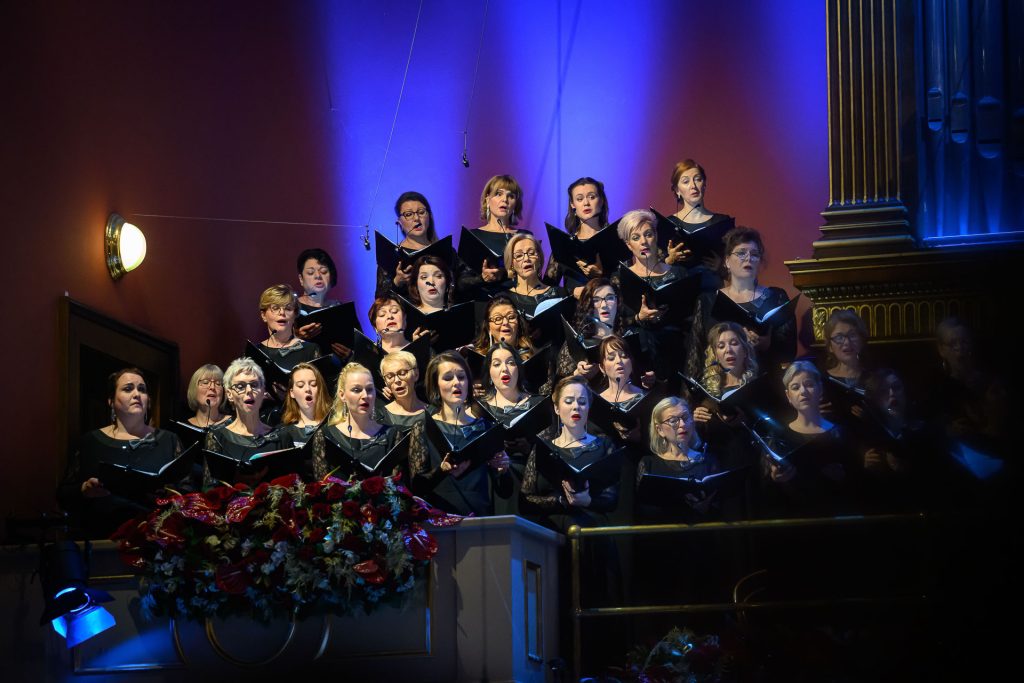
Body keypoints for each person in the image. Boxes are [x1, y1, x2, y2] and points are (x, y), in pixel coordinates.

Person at [58, 368, 186, 538]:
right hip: (100, 545)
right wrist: (84, 489)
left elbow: (188, 495)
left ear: (148, 402)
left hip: (156, 546)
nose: (137, 394)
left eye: (142, 389)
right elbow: (63, 495)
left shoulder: (169, 441)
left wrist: (169, 496)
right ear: (111, 401)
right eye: (128, 389)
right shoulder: (89, 442)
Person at [407, 351, 510, 516]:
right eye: (448, 378)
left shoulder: (485, 428)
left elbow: (504, 492)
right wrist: (442, 470)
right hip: (439, 519)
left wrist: (503, 469)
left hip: (481, 520)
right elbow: (417, 486)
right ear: (436, 385)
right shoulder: (424, 427)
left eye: (461, 377)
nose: (457, 383)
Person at [614, 209, 713, 378]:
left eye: (648, 234)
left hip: (676, 354)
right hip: (638, 359)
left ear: (656, 236)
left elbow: (692, 320)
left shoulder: (680, 273)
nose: (644, 242)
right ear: (628, 245)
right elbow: (616, 324)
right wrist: (639, 318)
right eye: (636, 238)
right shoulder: (620, 277)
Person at [687, 227, 796, 379]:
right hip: (718, 386)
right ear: (726, 261)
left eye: (755, 254)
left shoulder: (775, 297)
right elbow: (696, 354)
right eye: (741, 253)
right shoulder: (708, 300)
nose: (748, 258)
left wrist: (766, 344)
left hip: (764, 382)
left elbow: (789, 353)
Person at [521, 376, 620, 531]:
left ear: (589, 407)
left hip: (590, 530)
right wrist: (560, 501)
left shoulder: (604, 445)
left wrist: (587, 501)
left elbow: (612, 499)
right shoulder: (542, 447)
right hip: (550, 531)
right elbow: (526, 499)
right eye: (568, 401)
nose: (576, 407)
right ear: (557, 408)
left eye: (582, 402)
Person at [758, 361, 858, 515]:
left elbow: (859, 482)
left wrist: (845, 476)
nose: (803, 391)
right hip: (796, 521)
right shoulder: (778, 437)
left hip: (838, 517)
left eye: (809, 384)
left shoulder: (840, 433)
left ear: (820, 389)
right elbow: (766, 493)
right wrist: (776, 479)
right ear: (788, 396)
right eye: (795, 387)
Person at [478, 342, 548, 515]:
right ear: (489, 373)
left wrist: (529, 449)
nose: (504, 369)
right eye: (496, 364)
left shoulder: (538, 404)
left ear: (519, 368)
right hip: (494, 480)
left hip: (530, 478)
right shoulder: (479, 409)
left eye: (510, 362)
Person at [205, 357, 296, 485]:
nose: (249, 391)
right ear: (230, 394)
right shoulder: (216, 438)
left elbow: (296, 490)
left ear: (263, 391)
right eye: (240, 386)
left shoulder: (282, 437)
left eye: (254, 385)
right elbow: (208, 491)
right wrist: (235, 482)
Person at [637, 397, 721, 522]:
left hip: (700, 536)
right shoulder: (648, 464)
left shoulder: (708, 461)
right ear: (660, 429)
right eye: (673, 420)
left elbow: (719, 509)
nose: (682, 424)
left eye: (685, 417)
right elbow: (643, 511)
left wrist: (704, 507)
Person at [324, 362, 406, 480]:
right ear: (342, 395)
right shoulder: (326, 436)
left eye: (369, 389)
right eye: (356, 390)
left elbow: (396, 487)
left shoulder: (393, 435)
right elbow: (322, 488)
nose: (365, 395)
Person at [457, 175, 528, 301]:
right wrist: (482, 278)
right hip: (482, 305)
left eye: (511, 196)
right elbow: (461, 282)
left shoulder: (524, 236)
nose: (505, 199)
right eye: (498, 194)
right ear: (487, 200)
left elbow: (533, 274)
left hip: (516, 303)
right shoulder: (473, 236)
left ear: (515, 205)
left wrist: (504, 274)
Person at [544, 177, 616, 295]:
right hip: (573, 311)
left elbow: (624, 291)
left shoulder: (614, 241)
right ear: (573, 204)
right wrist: (571, 292)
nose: (586, 203)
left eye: (592, 197)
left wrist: (601, 275)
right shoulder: (564, 244)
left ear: (602, 200)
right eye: (579, 199)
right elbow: (548, 289)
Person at [555, 278, 633, 379]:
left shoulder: (629, 334)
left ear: (617, 302)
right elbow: (558, 385)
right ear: (588, 305)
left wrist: (648, 380)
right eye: (596, 300)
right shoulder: (578, 341)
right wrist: (578, 375)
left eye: (610, 298)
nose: (604, 305)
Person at [376, 191, 442, 298]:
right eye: (408, 214)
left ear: (429, 217)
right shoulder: (391, 255)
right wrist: (397, 282)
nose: (416, 218)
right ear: (400, 223)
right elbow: (380, 301)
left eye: (421, 212)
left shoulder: (443, 250)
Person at [667, 159, 734, 265]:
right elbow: (655, 267)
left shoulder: (722, 223)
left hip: (712, 280)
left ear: (704, 185)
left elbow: (736, 260)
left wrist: (722, 266)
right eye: (686, 181)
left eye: (698, 179)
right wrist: (669, 260)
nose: (693, 186)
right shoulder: (668, 224)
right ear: (677, 190)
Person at [293, 248, 352, 358]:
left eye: (324, 271)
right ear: (301, 279)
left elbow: (359, 345)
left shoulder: (341, 307)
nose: (318, 276)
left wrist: (351, 355)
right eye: (310, 272)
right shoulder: (290, 309)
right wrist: (297, 339)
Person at [257, 284, 323, 372]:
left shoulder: (310, 350)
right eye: (275, 308)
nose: (282, 313)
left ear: (295, 314)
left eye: (288, 308)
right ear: (263, 315)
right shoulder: (256, 352)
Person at [502, 233, 568, 316]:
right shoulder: (503, 299)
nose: (526, 259)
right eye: (519, 255)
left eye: (531, 253)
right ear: (511, 264)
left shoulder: (560, 294)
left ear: (539, 258)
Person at [378, 350, 428, 429]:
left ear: (416, 374)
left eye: (402, 373)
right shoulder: (379, 417)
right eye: (390, 376)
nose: (397, 380)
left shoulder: (433, 414)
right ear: (385, 382)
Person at [184, 364, 230, 428]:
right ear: (194, 389)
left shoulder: (233, 424)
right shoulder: (184, 427)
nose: (212, 387)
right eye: (205, 382)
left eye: (218, 383)